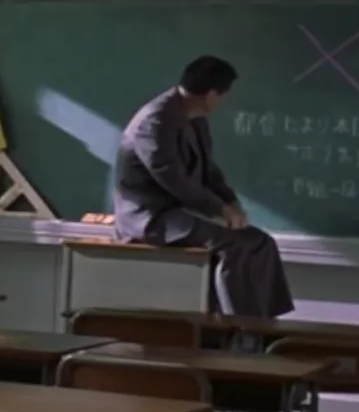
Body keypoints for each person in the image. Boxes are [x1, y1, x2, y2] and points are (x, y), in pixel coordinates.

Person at [113, 55, 295, 318]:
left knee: (261, 242)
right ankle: (238, 326)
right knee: (234, 246)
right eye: (222, 96)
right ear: (211, 94)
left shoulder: (195, 117)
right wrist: (220, 210)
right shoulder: (155, 120)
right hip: (153, 217)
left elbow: (208, 169)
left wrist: (230, 202)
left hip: (182, 212)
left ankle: (265, 324)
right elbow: (174, 179)